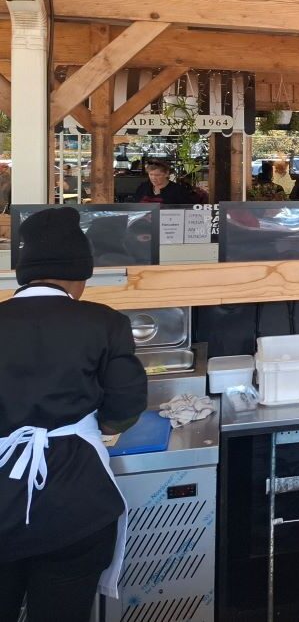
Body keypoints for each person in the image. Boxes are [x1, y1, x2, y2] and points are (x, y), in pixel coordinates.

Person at [0, 207, 147, 621]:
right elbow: (126, 404)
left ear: (23, 273)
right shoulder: (104, 322)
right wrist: (104, 427)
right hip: (76, 504)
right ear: (81, 275)